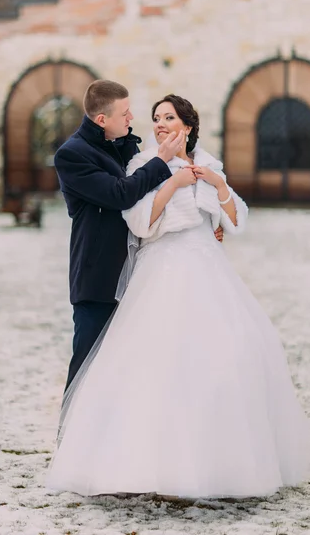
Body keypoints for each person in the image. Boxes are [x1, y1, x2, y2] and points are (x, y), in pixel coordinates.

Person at [48, 94, 310, 498]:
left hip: (208, 269)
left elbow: (235, 221)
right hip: (161, 269)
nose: (158, 124)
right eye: (156, 118)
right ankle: (141, 464)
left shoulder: (209, 163)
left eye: (168, 117)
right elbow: (138, 224)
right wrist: (172, 183)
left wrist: (217, 183)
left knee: (227, 356)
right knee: (153, 363)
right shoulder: (141, 164)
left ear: (187, 126)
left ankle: (224, 463)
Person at [54, 81, 224, 393]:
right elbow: (121, 195)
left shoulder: (128, 147)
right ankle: (71, 438)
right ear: (103, 119)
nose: (132, 117)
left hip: (145, 276)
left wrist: (209, 221)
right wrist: (161, 162)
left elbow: (158, 201)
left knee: (134, 369)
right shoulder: (72, 155)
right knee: (87, 363)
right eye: (125, 112)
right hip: (101, 277)